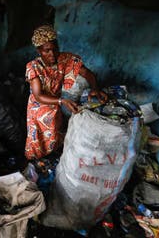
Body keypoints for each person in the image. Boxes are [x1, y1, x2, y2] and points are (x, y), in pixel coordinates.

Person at [25, 25, 107, 160]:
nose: (52, 54)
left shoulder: (65, 59)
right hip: (39, 108)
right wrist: (61, 101)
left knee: (55, 137)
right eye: (47, 51)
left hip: (56, 105)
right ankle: (35, 164)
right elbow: (38, 95)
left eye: (54, 48)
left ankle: (53, 160)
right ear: (39, 51)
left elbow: (87, 73)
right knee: (38, 143)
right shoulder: (33, 67)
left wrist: (95, 89)